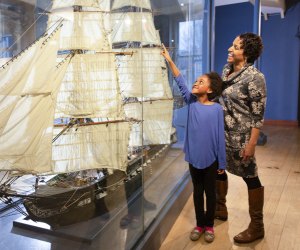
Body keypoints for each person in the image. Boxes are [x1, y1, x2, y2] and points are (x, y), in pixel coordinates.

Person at [161, 44, 226, 243]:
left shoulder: (216, 109)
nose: (196, 83)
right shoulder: (191, 102)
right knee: (197, 194)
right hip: (193, 159)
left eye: (201, 82)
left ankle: (209, 226)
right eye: (196, 81)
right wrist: (169, 60)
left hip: (211, 160)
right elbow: (180, 80)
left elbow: (219, 138)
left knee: (210, 194)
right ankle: (199, 224)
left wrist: (222, 163)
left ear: (211, 89)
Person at [215, 32, 267, 244]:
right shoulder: (226, 70)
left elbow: (258, 116)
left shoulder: (255, 78)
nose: (230, 49)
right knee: (218, 168)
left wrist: (251, 144)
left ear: (246, 53)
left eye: (235, 47)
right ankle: (220, 209)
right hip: (221, 133)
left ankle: (257, 226)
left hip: (242, 138)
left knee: (250, 176)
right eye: (232, 45)